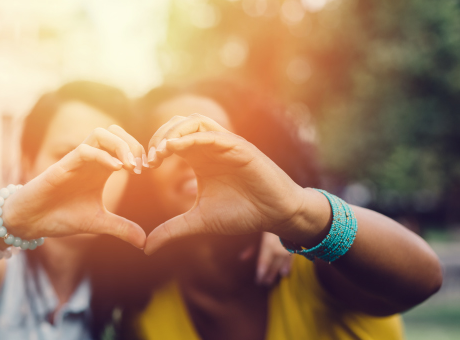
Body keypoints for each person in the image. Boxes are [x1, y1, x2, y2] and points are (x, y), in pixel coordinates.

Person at [0, 80, 292, 340]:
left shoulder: (126, 289)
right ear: (28, 162)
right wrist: (8, 219)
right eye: (64, 154)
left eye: (107, 158)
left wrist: (272, 226)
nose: (82, 173)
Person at [129, 79, 443, 340]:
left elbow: (424, 280)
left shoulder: (309, 257)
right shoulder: (144, 308)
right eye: (168, 143)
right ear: (143, 176)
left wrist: (297, 214)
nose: (191, 156)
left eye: (208, 138)